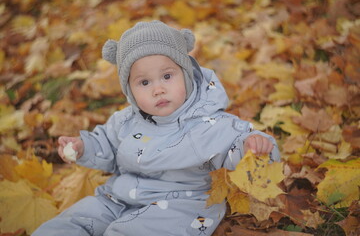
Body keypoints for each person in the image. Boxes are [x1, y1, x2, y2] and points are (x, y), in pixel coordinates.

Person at [32, 20, 280, 236]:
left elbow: (235, 143)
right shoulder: (125, 121)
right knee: (70, 223)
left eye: (167, 76)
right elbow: (105, 144)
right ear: (129, 90)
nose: (157, 89)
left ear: (186, 74)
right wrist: (83, 146)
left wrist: (253, 146)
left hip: (180, 204)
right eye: (144, 82)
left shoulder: (209, 123)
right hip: (119, 197)